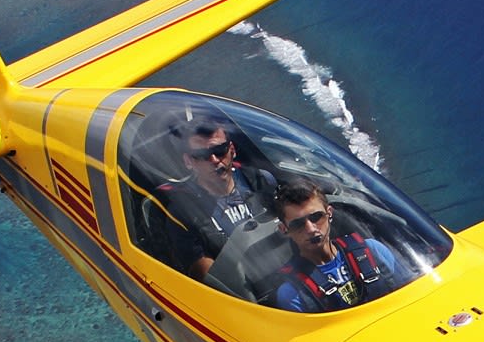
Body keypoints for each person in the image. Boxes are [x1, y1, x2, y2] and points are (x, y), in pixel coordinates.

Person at [148, 114, 278, 279]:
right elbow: (209, 276)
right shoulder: (183, 212)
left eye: (219, 150)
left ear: (232, 150)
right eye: (202, 155)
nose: (214, 160)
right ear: (189, 161)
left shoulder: (260, 181)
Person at [272, 183, 409, 312]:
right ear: (284, 229)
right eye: (298, 224)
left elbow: (411, 294)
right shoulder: (292, 293)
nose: (311, 229)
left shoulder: (374, 251)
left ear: (329, 213)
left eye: (316, 217)